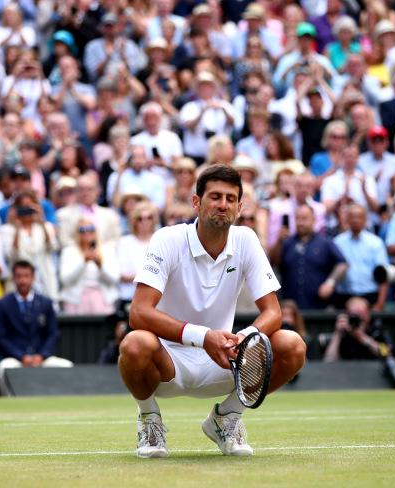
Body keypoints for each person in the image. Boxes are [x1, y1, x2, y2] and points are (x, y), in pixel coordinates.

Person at [118, 165, 305, 458]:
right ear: (197, 202)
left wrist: (243, 339)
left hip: (223, 360)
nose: (223, 205)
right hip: (167, 363)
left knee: (292, 345)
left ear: (240, 207)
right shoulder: (167, 239)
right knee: (134, 343)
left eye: (231, 199)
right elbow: (139, 313)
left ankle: (226, 417)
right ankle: (149, 419)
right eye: (215, 197)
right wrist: (203, 336)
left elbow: (273, 313)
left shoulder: (246, 239)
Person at [0, 260, 73, 396]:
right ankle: (10, 403)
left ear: (33, 278)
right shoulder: (2, 304)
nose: (23, 280)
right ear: (13, 278)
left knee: (66, 366)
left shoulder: (46, 303)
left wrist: (41, 356)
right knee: (4, 368)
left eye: (26, 276)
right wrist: (21, 356)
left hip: (41, 358)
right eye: (19, 276)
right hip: (15, 359)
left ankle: (59, 402)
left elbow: (53, 333)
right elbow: (1, 338)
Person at [270, 203, 348, 310]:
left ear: (314, 220)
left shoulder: (324, 243)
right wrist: (279, 241)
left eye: (305, 218)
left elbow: (342, 264)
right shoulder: (286, 243)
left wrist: (330, 283)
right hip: (291, 311)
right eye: (298, 219)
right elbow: (273, 263)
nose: (300, 222)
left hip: (319, 308)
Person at [333, 204, 389, 310]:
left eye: (359, 217)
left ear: (365, 219)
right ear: (347, 219)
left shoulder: (375, 243)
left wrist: (380, 303)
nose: (355, 220)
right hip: (343, 297)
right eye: (352, 216)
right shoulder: (337, 242)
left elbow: (383, 275)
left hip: (369, 295)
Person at [58, 219, 120, 315]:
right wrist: (83, 262)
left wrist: (100, 265)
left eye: (91, 229)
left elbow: (114, 279)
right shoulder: (69, 251)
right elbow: (65, 280)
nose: (87, 232)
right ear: (77, 233)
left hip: (103, 300)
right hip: (75, 301)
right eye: (82, 230)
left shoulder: (107, 250)